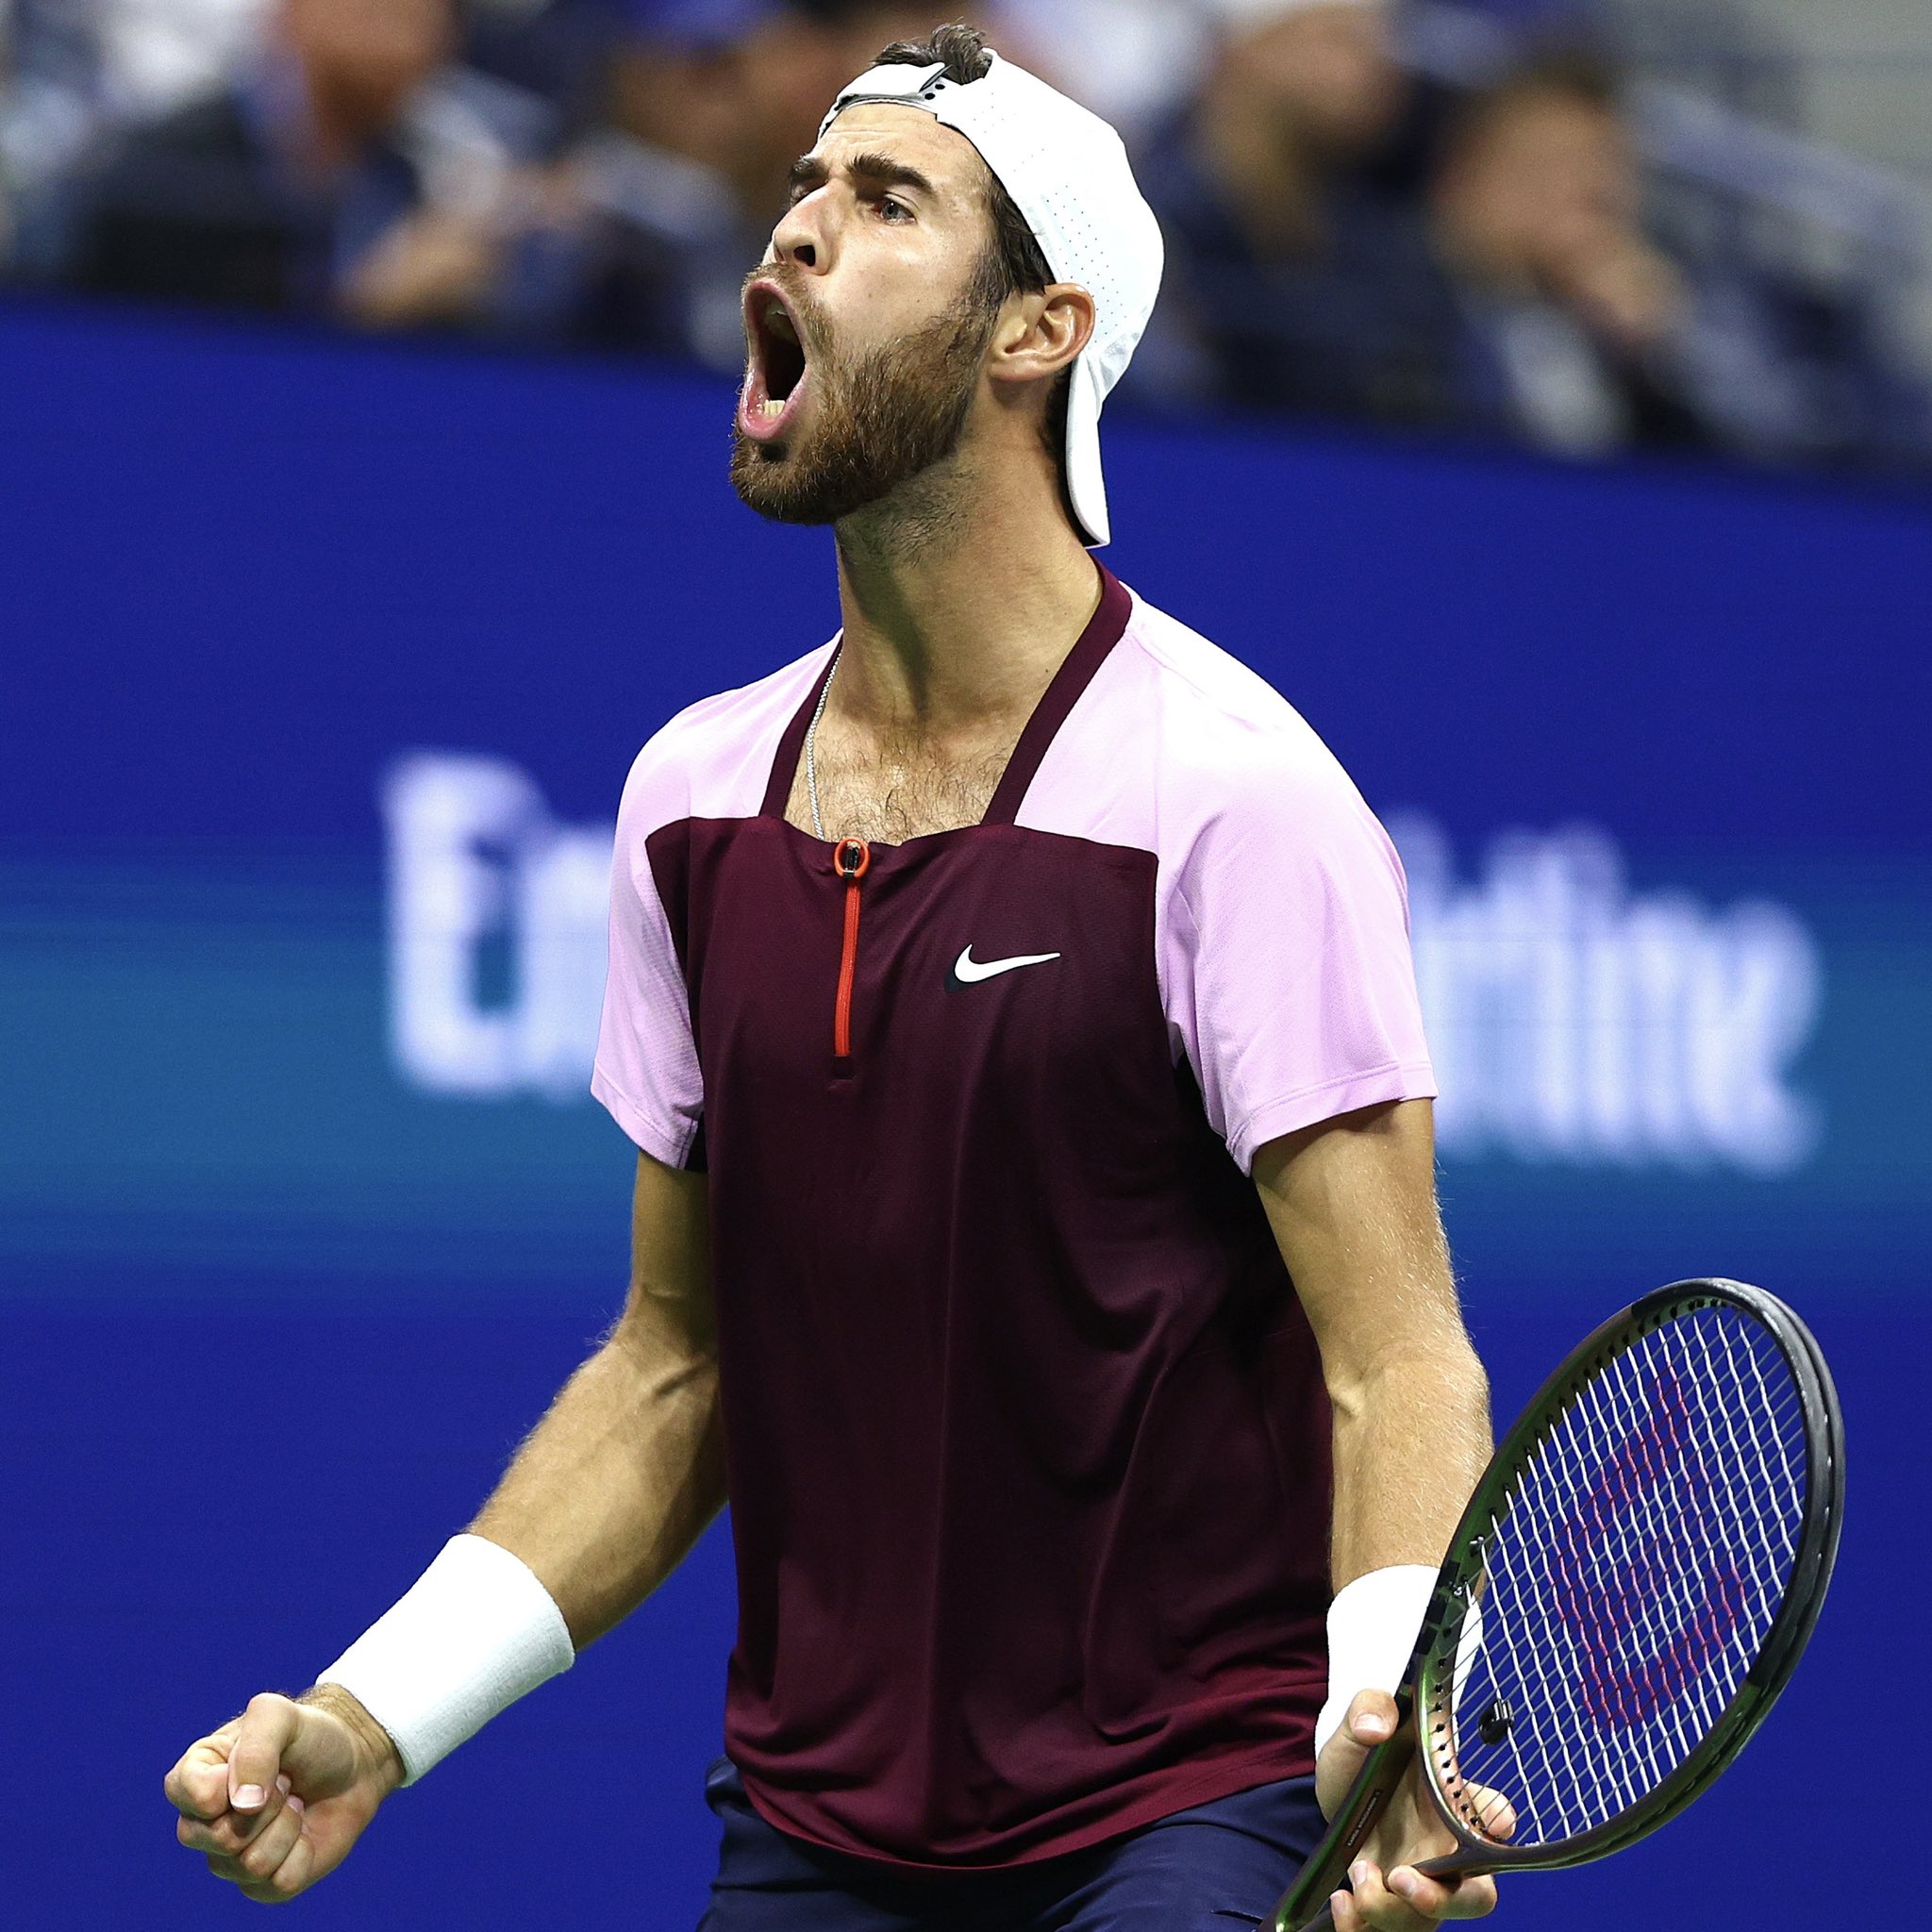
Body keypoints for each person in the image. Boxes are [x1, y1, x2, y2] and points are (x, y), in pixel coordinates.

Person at [163, 24, 1498, 1932]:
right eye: (801, 187)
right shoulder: (693, 802)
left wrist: (1381, 1718)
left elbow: (1395, 1357)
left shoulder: (1238, 802)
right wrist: (372, 1718)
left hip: (1184, 1809)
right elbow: (677, 1361)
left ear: (1037, 328)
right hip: (819, 1829)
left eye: (884, 202)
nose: (793, 229)